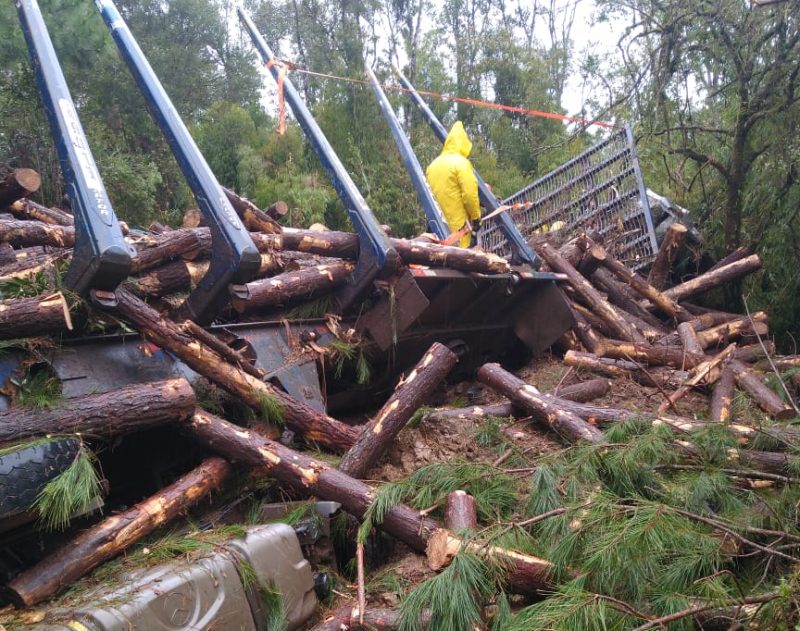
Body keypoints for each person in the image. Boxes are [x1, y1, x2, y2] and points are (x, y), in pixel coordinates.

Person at [426, 121, 481, 247]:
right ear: (464, 144)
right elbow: (469, 196)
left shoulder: (432, 166)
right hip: (459, 232)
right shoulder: (462, 163)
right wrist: (476, 218)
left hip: (437, 231)